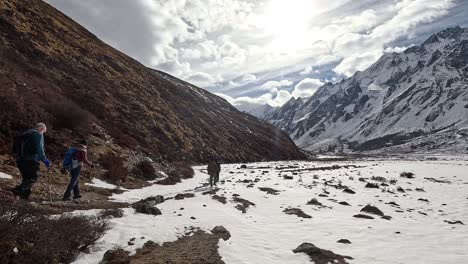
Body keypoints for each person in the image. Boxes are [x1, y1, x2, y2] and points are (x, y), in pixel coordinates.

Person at [11, 123, 51, 200]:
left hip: (20, 160)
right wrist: (45, 160)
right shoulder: (38, 135)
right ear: (41, 129)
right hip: (31, 160)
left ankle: (24, 198)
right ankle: (17, 190)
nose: (43, 133)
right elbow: (39, 149)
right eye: (43, 132)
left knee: (26, 179)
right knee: (33, 178)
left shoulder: (26, 134)